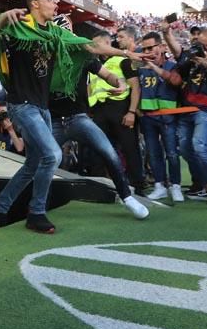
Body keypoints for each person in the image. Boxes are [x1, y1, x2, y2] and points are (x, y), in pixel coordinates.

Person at [0, 0, 144, 233]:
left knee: (34, 162)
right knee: (53, 156)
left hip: (41, 108)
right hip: (22, 105)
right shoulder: (21, 25)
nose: (56, 4)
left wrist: (127, 54)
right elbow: (1, 24)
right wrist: (5, 16)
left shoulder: (57, 34)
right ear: (35, 3)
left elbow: (91, 47)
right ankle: (36, 213)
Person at [48, 46, 149, 219]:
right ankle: (36, 205)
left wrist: (121, 83)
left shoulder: (82, 56)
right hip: (54, 120)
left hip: (78, 118)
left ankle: (127, 197)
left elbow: (108, 75)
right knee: (42, 161)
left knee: (109, 152)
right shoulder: (44, 58)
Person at [165, 28, 207, 206]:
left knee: (200, 147)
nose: (204, 49)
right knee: (186, 149)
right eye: (201, 45)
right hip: (188, 108)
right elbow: (179, 75)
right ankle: (204, 185)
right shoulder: (193, 56)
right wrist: (189, 62)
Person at [88, 30, 144, 194]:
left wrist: (131, 112)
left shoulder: (123, 61)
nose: (93, 47)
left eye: (96, 44)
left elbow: (135, 87)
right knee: (100, 149)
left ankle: (138, 186)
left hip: (120, 110)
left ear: (106, 44)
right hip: (99, 112)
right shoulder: (95, 64)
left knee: (130, 149)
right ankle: (101, 186)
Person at [139, 32, 183, 202]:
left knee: (172, 153)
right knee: (153, 153)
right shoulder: (140, 68)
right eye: (145, 48)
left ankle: (175, 185)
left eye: (151, 47)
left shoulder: (172, 66)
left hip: (168, 117)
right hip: (148, 117)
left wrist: (155, 68)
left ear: (162, 47)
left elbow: (175, 82)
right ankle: (159, 186)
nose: (148, 51)